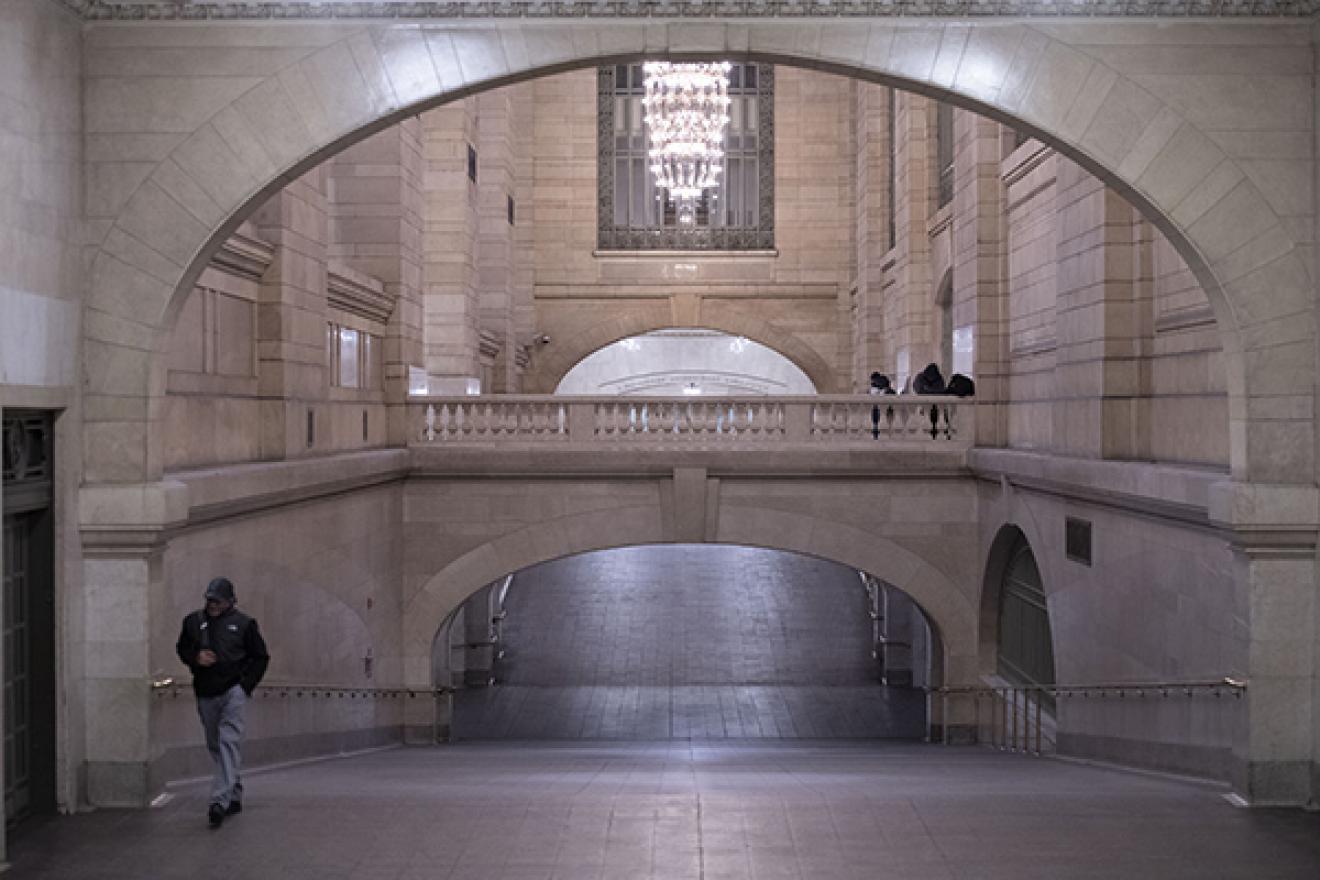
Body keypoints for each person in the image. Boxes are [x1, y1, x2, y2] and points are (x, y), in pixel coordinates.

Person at [176, 577, 269, 827]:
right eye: (210, 600)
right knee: (216, 744)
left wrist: (244, 686)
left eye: (218, 600)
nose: (213, 604)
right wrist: (196, 658)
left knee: (229, 741)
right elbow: (182, 648)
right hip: (206, 691)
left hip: (232, 691)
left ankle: (219, 801)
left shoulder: (244, 624)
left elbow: (260, 657)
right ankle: (233, 792)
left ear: (230, 600)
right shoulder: (193, 622)